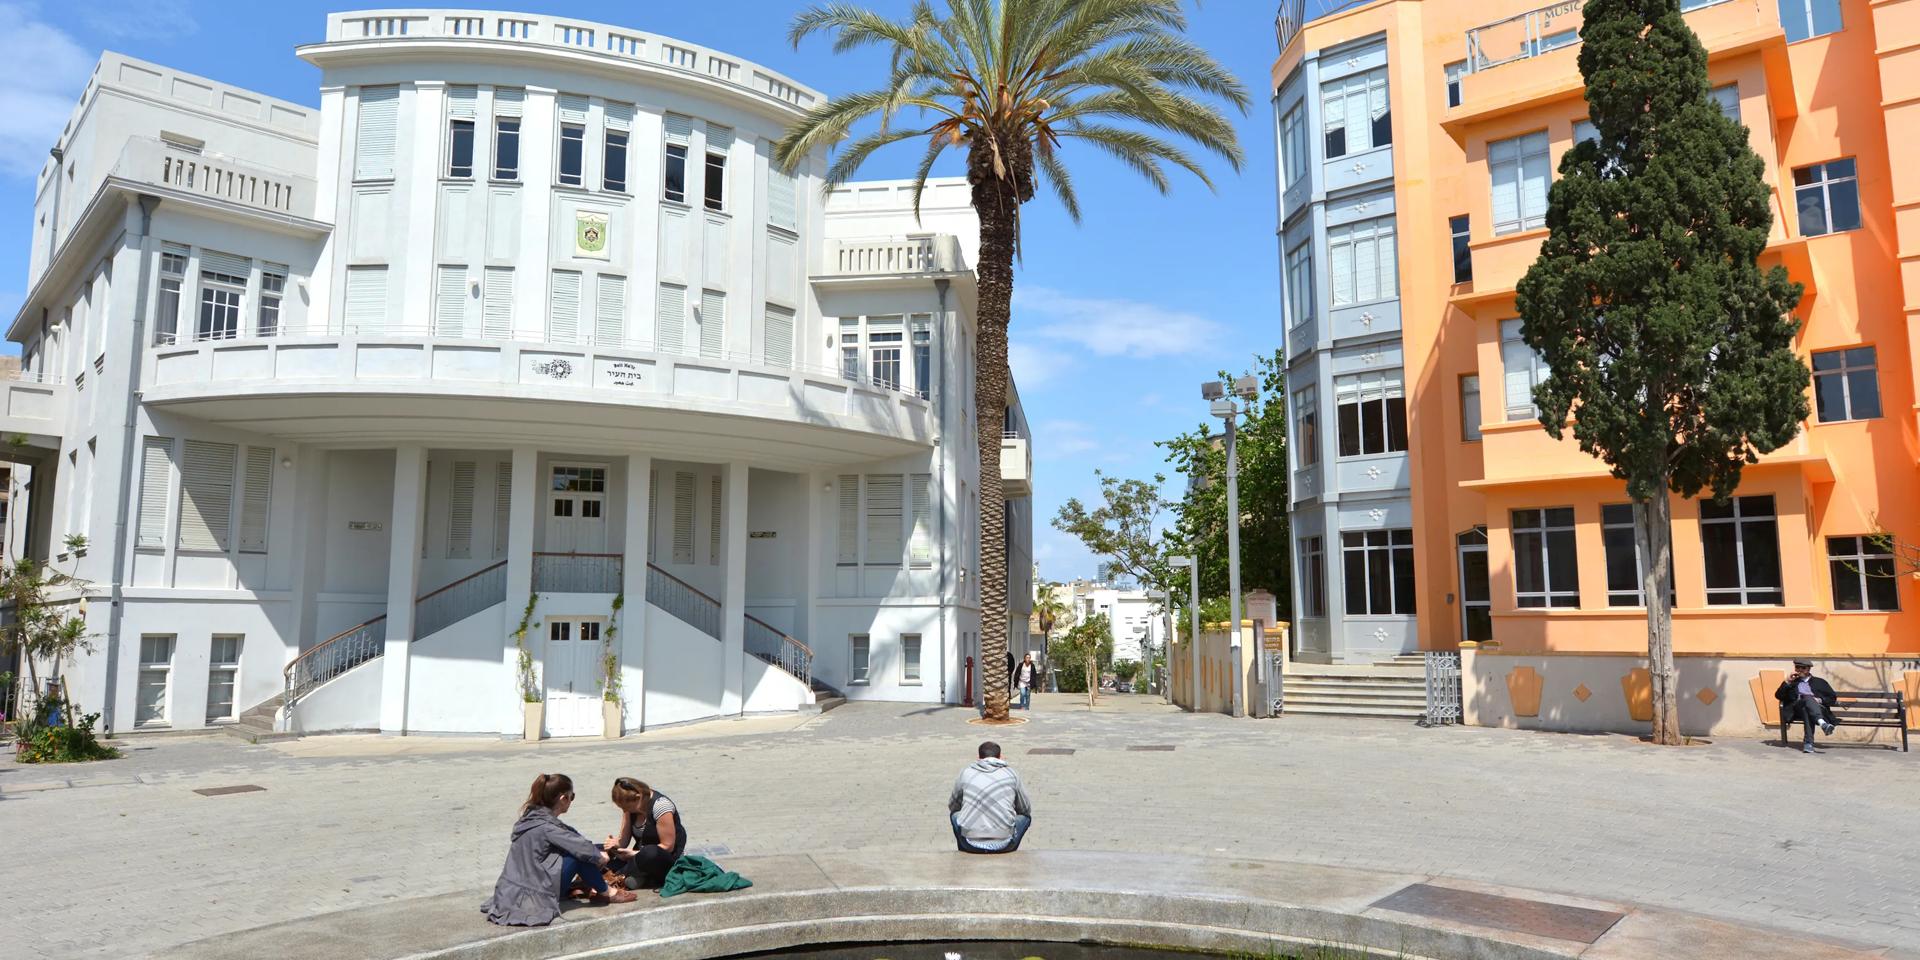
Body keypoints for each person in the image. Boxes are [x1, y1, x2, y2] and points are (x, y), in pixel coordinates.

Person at [483, 773, 635, 926]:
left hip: (511, 892)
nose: (571, 800)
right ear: (563, 799)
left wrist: (601, 850)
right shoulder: (548, 827)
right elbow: (581, 848)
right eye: (572, 796)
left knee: (595, 848)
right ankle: (606, 892)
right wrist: (600, 857)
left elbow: (574, 839)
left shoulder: (532, 819)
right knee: (580, 855)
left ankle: (595, 882)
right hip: (536, 894)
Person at [948, 741, 1032, 854]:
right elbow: (1025, 809)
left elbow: (953, 805)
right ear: (1000, 757)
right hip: (1004, 844)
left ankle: (964, 851)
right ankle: (1009, 849)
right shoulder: (1011, 774)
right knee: (1025, 817)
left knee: (955, 815)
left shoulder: (965, 773)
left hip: (970, 843)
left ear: (978, 758)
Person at [606, 777, 687, 890]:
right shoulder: (629, 808)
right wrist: (614, 846)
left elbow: (667, 847)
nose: (625, 810)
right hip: (639, 857)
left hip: (664, 860)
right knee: (599, 853)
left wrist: (634, 854)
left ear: (638, 798)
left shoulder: (661, 806)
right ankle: (639, 877)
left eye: (626, 807)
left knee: (649, 853)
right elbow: (623, 840)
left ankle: (614, 877)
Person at [1775, 659, 1838, 754]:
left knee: (1807, 708)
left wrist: (1819, 700)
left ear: (1808, 669)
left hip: (1818, 709)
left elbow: (1832, 698)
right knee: (1807, 699)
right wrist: (1787, 682)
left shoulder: (1820, 682)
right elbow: (1778, 696)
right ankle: (1822, 724)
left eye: (1803, 668)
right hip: (1797, 710)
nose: (1799, 670)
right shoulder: (1792, 682)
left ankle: (1809, 744)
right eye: (1797, 667)